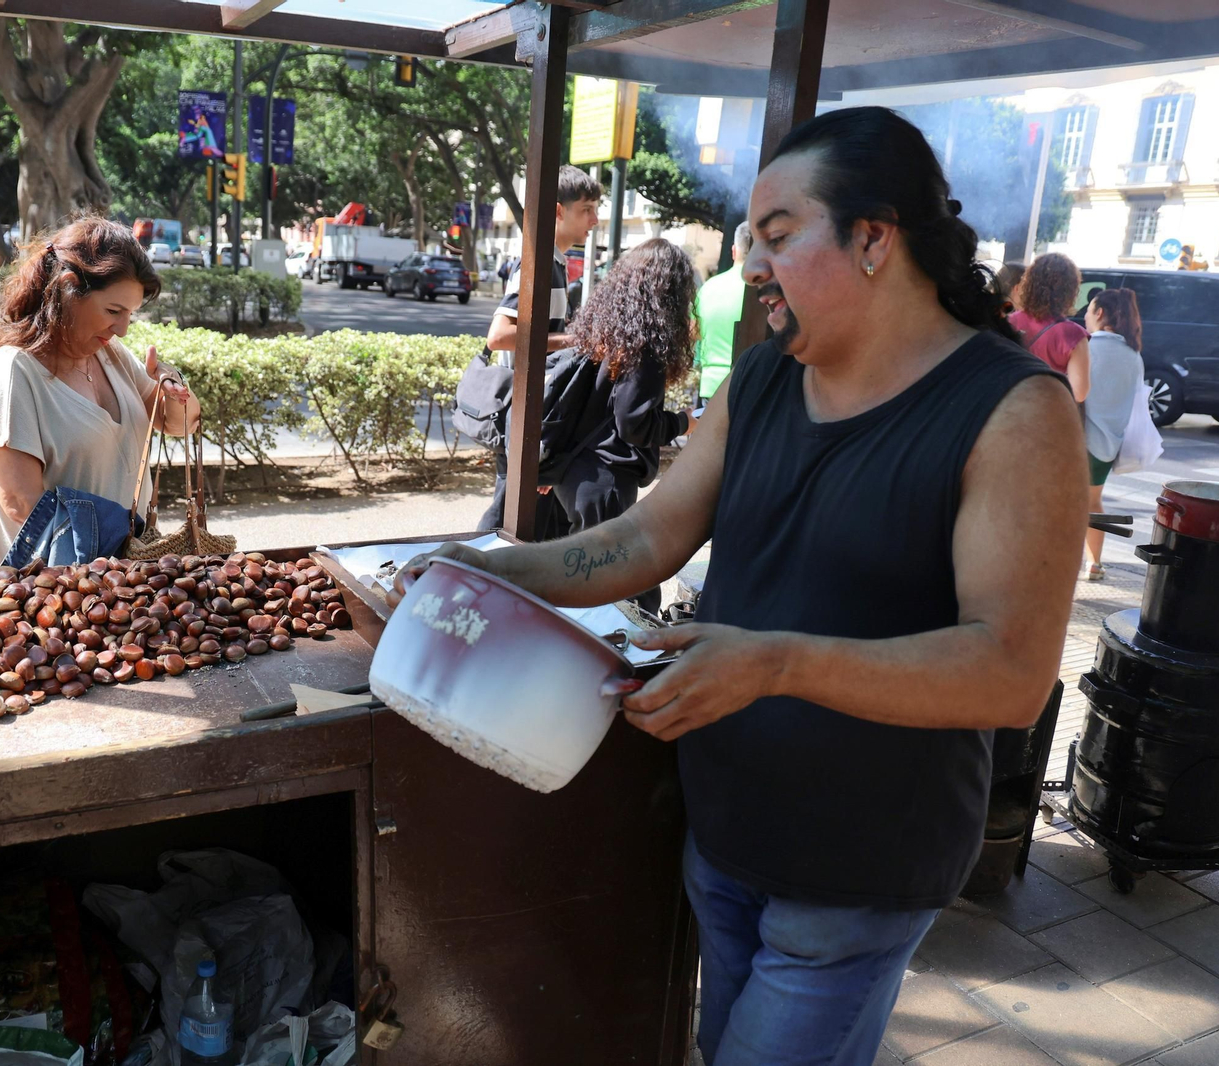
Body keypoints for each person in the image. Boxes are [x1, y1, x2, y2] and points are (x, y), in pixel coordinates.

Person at [392, 107, 1084, 1065]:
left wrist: (774, 666)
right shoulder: (761, 382)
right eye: (750, 240)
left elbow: (1010, 671)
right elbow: (645, 535)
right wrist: (491, 568)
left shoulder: (1012, 412)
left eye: (778, 235)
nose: (751, 266)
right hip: (725, 834)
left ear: (875, 239)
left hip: (861, 864)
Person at [0, 216, 201, 569]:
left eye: (130, 314)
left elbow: (179, 425)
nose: (122, 329)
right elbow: (20, 503)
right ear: (68, 287)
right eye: (113, 311)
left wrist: (174, 389)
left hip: (117, 586)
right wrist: (119, 561)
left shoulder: (109, 355)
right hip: (46, 597)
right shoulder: (10, 371)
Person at [552, 238, 698, 614]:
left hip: (576, 476)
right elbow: (634, 423)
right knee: (626, 594)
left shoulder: (609, 330)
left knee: (586, 584)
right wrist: (684, 422)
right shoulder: (646, 344)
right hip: (605, 479)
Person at [477, 165, 603, 535]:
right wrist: (578, 341)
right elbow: (499, 336)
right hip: (526, 418)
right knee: (505, 526)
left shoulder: (554, 262)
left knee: (531, 528)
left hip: (537, 419)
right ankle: (457, 578)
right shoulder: (541, 263)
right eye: (586, 209)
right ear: (558, 211)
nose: (594, 220)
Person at [1081, 288, 1146, 580]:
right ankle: (1094, 563)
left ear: (1099, 313)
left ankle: (1062, 565)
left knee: (1063, 505)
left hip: (1077, 440)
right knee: (1094, 505)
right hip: (1108, 447)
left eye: (1089, 308)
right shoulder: (1134, 357)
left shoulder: (1087, 346)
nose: (1085, 314)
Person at [1009, 253, 1090, 402]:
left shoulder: (1007, 323)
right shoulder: (1073, 335)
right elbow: (1079, 393)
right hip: (1046, 412)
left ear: (1028, 283)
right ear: (1070, 291)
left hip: (1009, 409)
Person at [695, 221, 752, 403]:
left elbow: (694, 333)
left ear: (734, 251)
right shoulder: (763, 290)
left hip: (711, 386)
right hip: (753, 383)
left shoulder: (708, 288)